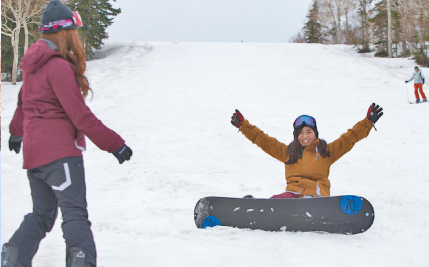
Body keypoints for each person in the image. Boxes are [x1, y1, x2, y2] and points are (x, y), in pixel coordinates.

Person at [1, 1, 132, 267]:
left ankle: (12, 257)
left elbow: (23, 102)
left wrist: (17, 133)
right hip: (60, 156)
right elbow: (79, 115)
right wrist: (115, 144)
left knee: (42, 214)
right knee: (74, 213)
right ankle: (81, 261)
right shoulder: (57, 66)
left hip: (35, 156)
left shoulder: (33, 64)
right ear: (65, 32)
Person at [230, 103, 383, 199]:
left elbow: (350, 138)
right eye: (301, 133)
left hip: (317, 197)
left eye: (309, 132)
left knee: (310, 201)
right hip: (293, 194)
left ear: (315, 133)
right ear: (296, 136)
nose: (305, 136)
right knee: (279, 199)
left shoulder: (326, 152)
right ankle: (258, 211)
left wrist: (368, 122)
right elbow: (263, 140)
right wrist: (244, 126)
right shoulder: (287, 152)